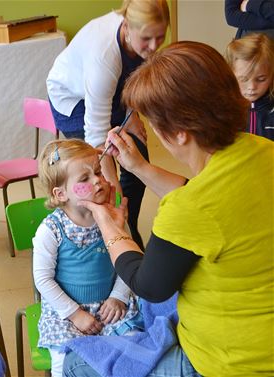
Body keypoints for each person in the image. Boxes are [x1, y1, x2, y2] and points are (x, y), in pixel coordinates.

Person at [63, 41, 274, 376]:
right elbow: (211, 203)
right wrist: (139, 168)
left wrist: (108, 221)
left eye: (153, 125)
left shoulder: (190, 209)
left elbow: (149, 285)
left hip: (235, 362)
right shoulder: (263, 149)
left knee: (75, 363)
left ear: (177, 133)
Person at [46, 0, 170, 250]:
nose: (154, 46)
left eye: (161, 37)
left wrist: (129, 112)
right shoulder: (103, 55)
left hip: (111, 95)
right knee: (92, 176)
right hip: (73, 97)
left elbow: (132, 80)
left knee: (138, 156)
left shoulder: (140, 41)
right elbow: (96, 137)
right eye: (147, 39)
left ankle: (127, 225)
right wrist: (109, 186)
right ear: (127, 25)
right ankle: (105, 236)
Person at [34, 139, 142, 377]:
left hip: (111, 308)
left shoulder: (113, 219)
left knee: (134, 352)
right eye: (84, 179)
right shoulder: (51, 230)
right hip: (68, 315)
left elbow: (129, 260)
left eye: (97, 172)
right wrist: (74, 314)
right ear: (60, 194)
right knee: (65, 364)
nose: (97, 180)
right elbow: (43, 280)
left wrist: (118, 297)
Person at [226, 32, 274, 140]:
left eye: (261, 79)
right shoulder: (225, 108)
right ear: (231, 74)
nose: (252, 87)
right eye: (243, 79)